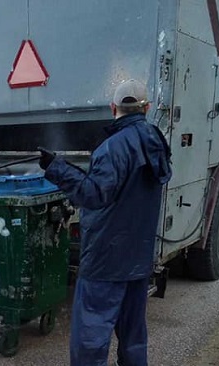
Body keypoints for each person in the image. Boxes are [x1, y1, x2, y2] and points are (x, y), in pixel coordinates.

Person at [39, 79, 172, 366]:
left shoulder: (112, 148)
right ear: (146, 108)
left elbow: (92, 194)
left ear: (113, 108)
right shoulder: (156, 141)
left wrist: (56, 168)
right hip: (138, 261)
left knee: (90, 341)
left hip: (104, 262)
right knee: (134, 337)